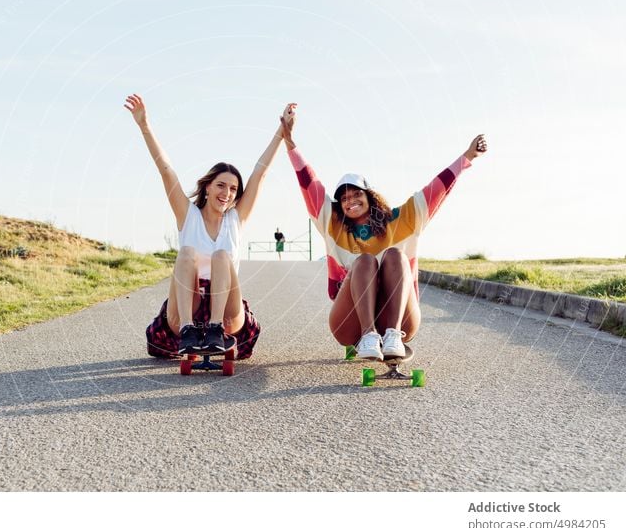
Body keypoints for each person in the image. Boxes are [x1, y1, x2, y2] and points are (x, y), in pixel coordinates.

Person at [279, 106, 487, 360]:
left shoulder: (401, 220)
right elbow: (309, 184)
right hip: (349, 323)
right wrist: (290, 143)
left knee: (395, 256)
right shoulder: (332, 224)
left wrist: (467, 157)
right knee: (364, 261)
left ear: (370, 196)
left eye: (357, 194)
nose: (351, 201)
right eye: (344, 198)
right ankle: (368, 336)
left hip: (401, 322)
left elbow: (436, 190)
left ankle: (391, 336)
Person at [124, 94, 296, 358]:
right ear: (207, 186)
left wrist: (281, 131)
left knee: (221, 255)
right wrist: (145, 126)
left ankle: (215, 329)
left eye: (233, 189)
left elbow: (259, 173)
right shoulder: (188, 215)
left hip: (227, 316)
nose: (227, 193)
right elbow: (166, 171)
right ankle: (189, 331)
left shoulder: (235, 220)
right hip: (185, 313)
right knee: (187, 253)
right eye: (221, 185)